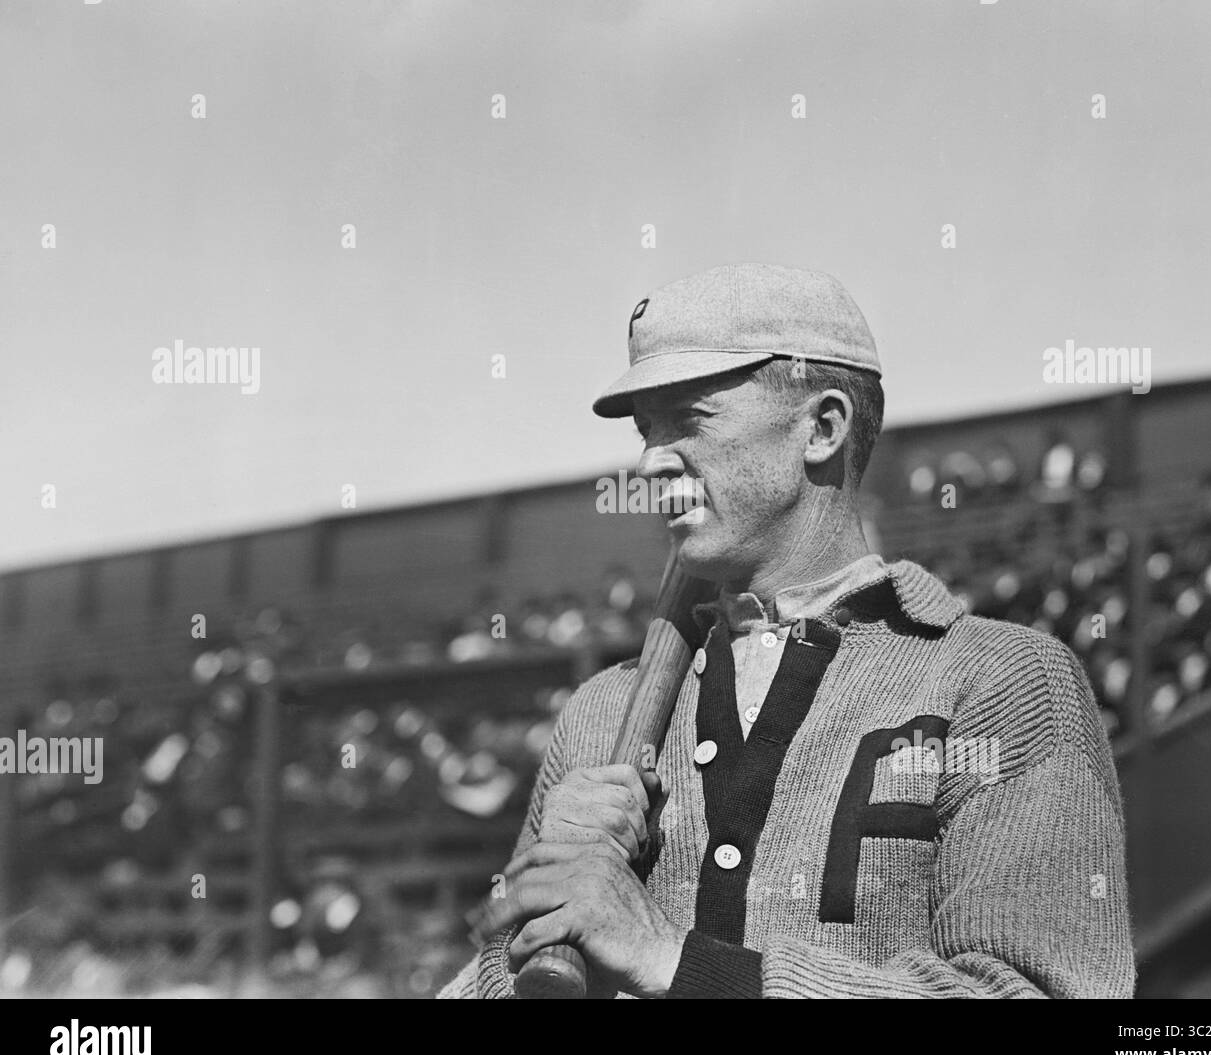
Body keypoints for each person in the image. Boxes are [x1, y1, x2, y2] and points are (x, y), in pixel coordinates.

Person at [439, 263, 1135, 998]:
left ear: (822, 427)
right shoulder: (599, 713)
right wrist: (532, 930)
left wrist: (671, 958)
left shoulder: (1002, 681)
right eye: (646, 430)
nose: (648, 462)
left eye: (690, 420)